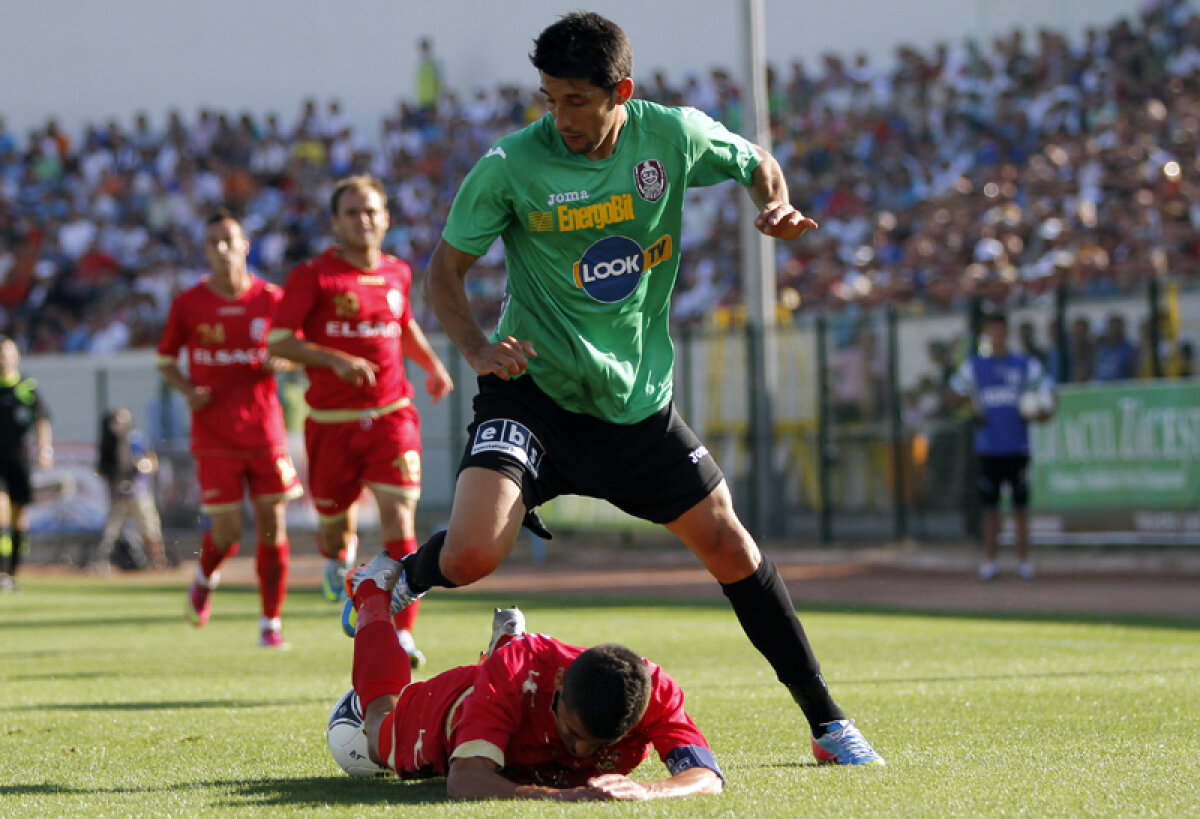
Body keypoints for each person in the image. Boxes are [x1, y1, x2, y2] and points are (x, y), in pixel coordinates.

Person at [352, 11, 882, 765]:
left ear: (619, 92)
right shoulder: (510, 165)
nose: (557, 116)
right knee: (471, 554)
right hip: (531, 391)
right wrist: (475, 347)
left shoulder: (671, 136)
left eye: (574, 100)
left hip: (634, 406)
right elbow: (444, 270)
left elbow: (755, 159)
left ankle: (827, 722)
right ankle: (396, 576)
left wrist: (772, 201)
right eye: (547, 98)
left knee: (730, 544)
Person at [268, 175, 453, 666]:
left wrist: (431, 364)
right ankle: (337, 558)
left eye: (371, 211)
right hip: (331, 423)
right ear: (335, 222)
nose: (363, 220)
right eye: (352, 212)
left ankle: (404, 632)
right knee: (334, 529)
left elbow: (403, 323)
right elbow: (279, 341)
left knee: (399, 517)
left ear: (386, 218)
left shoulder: (397, 272)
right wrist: (334, 359)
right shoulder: (314, 276)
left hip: (392, 414)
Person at [338, 586, 723, 800]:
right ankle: (371, 594)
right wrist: (561, 799)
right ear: (558, 686)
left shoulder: (655, 691)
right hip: (463, 705)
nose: (582, 754)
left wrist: (647, 791)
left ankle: (503, 642)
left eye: (599, 744)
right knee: (376, 734)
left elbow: (706, 776)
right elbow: (465, 780)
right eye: (573, 733)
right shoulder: (518, 671)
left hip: (514, 697)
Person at [157, 210, 303, 648]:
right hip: (214, 433)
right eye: (213, 242)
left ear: (245, 245)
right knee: (227, 534)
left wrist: (285, 361)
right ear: (205, 251)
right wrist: (187, 389)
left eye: (229, 240)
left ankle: (270, 624)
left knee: (273, 527)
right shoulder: (189, 304)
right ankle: (205, 575)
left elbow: (298, 349)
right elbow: (166, 360)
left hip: (264, 430)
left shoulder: (272, 299)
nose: (222, 249)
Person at [948, 309, 1055, 581]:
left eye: (1000, 330)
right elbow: (953, 393)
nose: (996, 336)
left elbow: (1050, 394)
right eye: (991, 331)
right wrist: (972, 406)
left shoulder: (1024, 364)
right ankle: (991, 561)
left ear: (1007, 332)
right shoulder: (976, 366)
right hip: (988, 447)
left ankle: (1023, 561)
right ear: (986, 334)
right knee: (990, 508)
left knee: (1020, 507)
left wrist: (1043, 414)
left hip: (1018, 446)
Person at [0, 336, 52, 591]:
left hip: (18, 457)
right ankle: (1, 568)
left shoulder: (27, 387)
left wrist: (45, 450)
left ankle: (13, 569)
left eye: (7, 354)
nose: (3, 359)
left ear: (16, 357)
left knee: (19, 514)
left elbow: (42, 419)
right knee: (0, 509)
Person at [90, 407, 167, 572]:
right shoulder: (108, 443)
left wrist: (144, 465)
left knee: (149, 528)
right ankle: (101, 562)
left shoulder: (138, 439)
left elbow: (152, 462)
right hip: (118, 493)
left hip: (138, 491)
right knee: (111, 531)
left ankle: (158, 561)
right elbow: (102, 469)